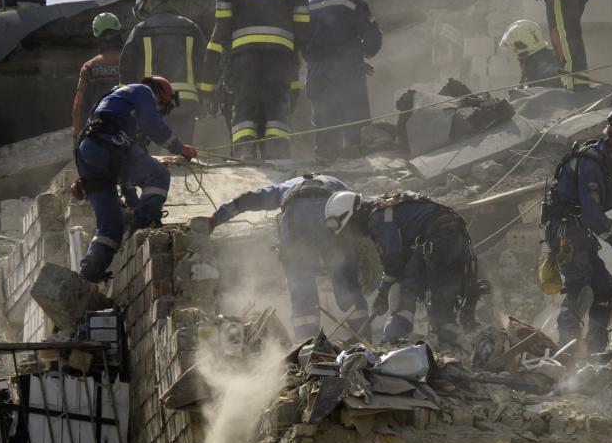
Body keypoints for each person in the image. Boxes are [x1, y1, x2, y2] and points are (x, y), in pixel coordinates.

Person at [208, 173, 368, 341]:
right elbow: (358, 207)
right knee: (346, 283)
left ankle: (306, 342)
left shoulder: (285, 187)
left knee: (302, 288)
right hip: (332, 223)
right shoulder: (337, 183)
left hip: (295, 224)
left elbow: (249, 199)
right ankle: (363, 337)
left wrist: (214, 219)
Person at [542, 110, 612, 351]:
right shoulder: (590, 163)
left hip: (578, 232)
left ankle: (595, 351)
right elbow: (592, 215)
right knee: (580, 290)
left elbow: (604, 183)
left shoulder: (600, 157)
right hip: (566, 232)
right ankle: (567, 351)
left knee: (605, 290)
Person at [209, 0, 310, 159]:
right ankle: (277, 154)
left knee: (244, 101)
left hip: (244, 50)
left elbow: (223, 12)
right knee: (278, 101)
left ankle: (244, 153)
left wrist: (225, 46)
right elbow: (300, 12)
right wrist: (299, 47)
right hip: (281, 50)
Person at [74, 77, 196, 282]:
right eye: (162, 108)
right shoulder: (142, 90)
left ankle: (91, 268)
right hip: (109, 143)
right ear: (159, 94)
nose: (159, 112)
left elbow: (126, 176)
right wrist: (181, 148)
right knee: (158, 175)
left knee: (110, 227)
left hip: (87, 152)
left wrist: (133, 204)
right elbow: (153, 126)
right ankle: (143, 226)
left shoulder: (115, 103)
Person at [325, 189, 479, 346]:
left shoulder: (377, 218)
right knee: (440, 309)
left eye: (350, 227)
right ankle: (465, 348)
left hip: (437, 244)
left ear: (354, 215)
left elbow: (393, 259)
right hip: (455, 241)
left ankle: (391, 343)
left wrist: (383, 293)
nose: (352, 234)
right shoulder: (385, 208)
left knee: (404, 296)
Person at [305, 0, 383, 159]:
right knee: (353, 133)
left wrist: (316, 63)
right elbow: (374, 40)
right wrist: (359, 56)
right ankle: (353, 167)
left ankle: (323, 166)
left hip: (318, 78)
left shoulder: (308, 7)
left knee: (325, 135)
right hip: (349, 77)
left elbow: (302, 42)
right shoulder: (356, 4)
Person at [120, 0, 212, 143]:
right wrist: (205, 97)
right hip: (186, 102)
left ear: (149, 4)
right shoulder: (191, 27)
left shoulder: (140, 30)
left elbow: (126, 68)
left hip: (153, 102)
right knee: (182, 149)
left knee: (154, 153)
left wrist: (126, 103)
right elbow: (204, 65)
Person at [72, 13, 125, 135]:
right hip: (128, 131)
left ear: (97, 36)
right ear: (118, 33)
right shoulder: (132, 61)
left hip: (98, 132)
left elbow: (78, 106)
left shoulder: (89, 67)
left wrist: (76, 136)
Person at [499, 19, 565, 87]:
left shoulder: (535, 68)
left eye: (514, 48)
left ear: (519, 47)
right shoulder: (551, 57)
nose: (514, 52)